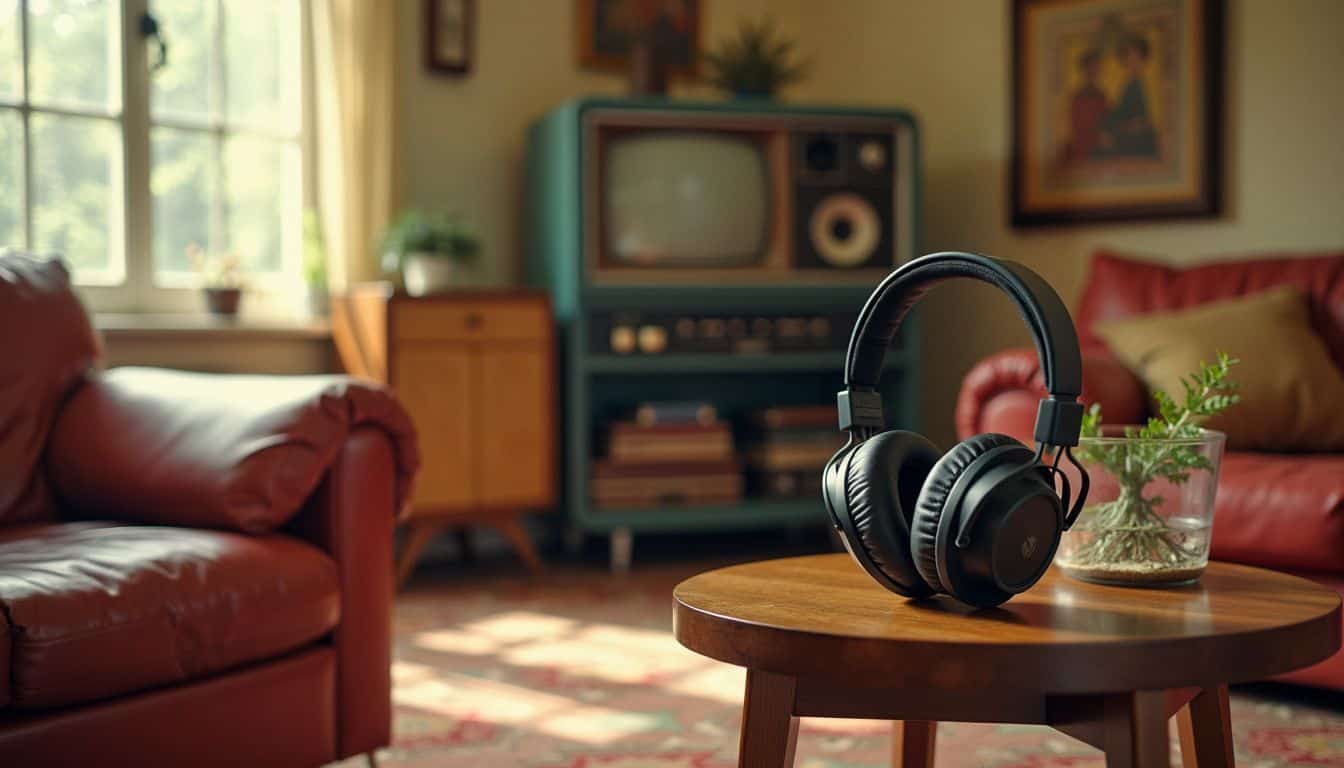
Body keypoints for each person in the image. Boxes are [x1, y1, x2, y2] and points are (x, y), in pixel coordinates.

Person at [1097, 34, 1159, 159]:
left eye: (1136, 57)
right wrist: (1106, 125)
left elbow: (1141, 117)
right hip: (1127, 129)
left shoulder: (1140, 84)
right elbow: (1120, 109)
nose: (1132, 62)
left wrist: (1113, 129)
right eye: (1128, 57)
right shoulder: (1128, 83)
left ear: (1143, 59)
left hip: (1137, 135)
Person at [1061, 48, 1107, 165]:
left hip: (1100, 145)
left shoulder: (1101, 95)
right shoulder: (1078, 96)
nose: (1094, 71)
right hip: (1085, 147)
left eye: (1097, 67)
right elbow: (1078, 125)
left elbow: (1107, 118)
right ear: (1084, 70)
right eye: (1091, 67)